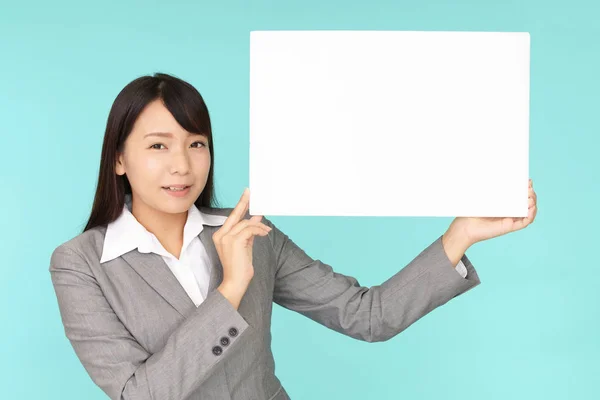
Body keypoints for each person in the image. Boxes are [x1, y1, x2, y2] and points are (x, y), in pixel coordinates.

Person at [49, 72, 538, 400]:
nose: (182, 165)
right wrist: (231, 288)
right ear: (118, 158)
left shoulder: (252, 232)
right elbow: (140, 394)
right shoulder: (80, 263)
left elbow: (368, 316)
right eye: (158, 145)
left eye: (196, 144)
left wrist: (462, 234)